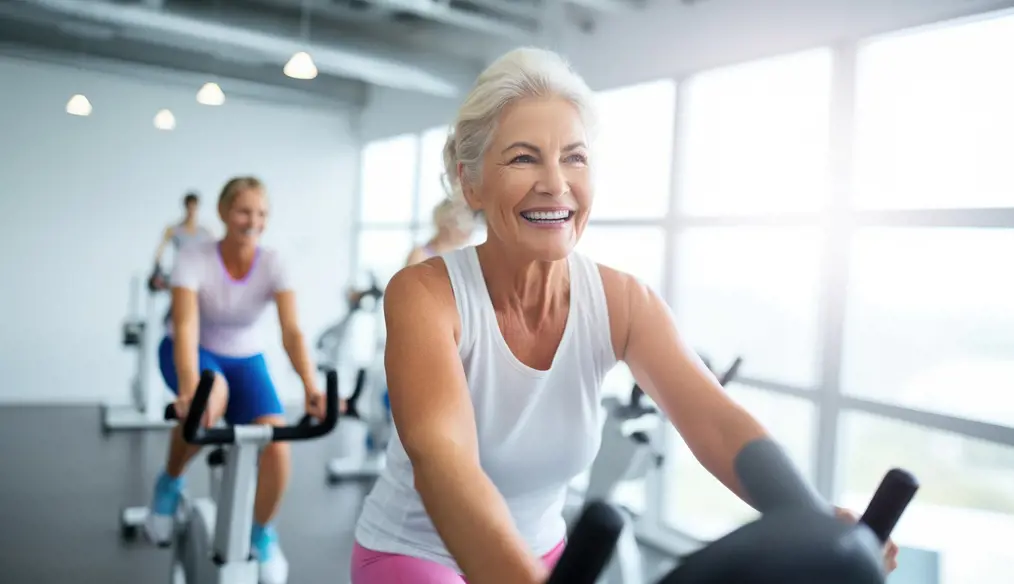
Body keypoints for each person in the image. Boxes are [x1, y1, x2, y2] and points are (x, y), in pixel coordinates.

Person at [349, 47, 901, 584]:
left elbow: (716, 421)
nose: (555, 182)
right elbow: (443, 460)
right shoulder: (425, 294)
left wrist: (810, 519)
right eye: (523, 157)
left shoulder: (621, 301)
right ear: (472, 181)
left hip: (546, 555)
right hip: (417, 553)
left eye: (575, 156)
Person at [144, 177, 326, 584]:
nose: (253, 221)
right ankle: (169, 482)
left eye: (261, 213)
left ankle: (261, 533)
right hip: (191, 350)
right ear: (224, 212)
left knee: (276, 444)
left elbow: (292, 331)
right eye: (244, 211)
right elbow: (187, 325)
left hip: (246, 358)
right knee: (211, 404)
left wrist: (311, 387)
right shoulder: (194, 256)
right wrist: (191, 389)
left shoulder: (275, 261)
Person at [150, 191, 214, 291]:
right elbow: (159, 253)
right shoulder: (173, 230)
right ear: (185, 207)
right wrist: (158, 272)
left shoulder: (205, 232)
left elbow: (214, 255)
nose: (191, 211)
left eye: (194, 208)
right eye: (189, 207)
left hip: (200, 279)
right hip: (181, 278)